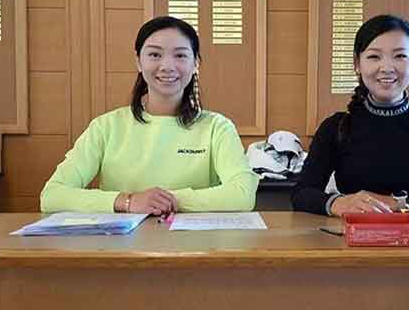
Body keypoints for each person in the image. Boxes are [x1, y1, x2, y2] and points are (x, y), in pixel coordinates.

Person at [40, 16, 258, 214]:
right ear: (138, 61)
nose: (167, 66)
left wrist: (166, 200)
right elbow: (52, 196)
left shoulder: (217, 127)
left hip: (192, 243)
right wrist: (128, 201)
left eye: (180, 55)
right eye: (154, 55)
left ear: (195, 64)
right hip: (120, 243)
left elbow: (242, 194)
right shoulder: (106, 127)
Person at [291, 14, 409, 216]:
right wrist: (339, 203)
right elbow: (302, 193)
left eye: (400, 56)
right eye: (374, 57)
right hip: (351, 232)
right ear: (357, 63)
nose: (387, 68)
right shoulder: (335, 127)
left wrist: (401, 203)